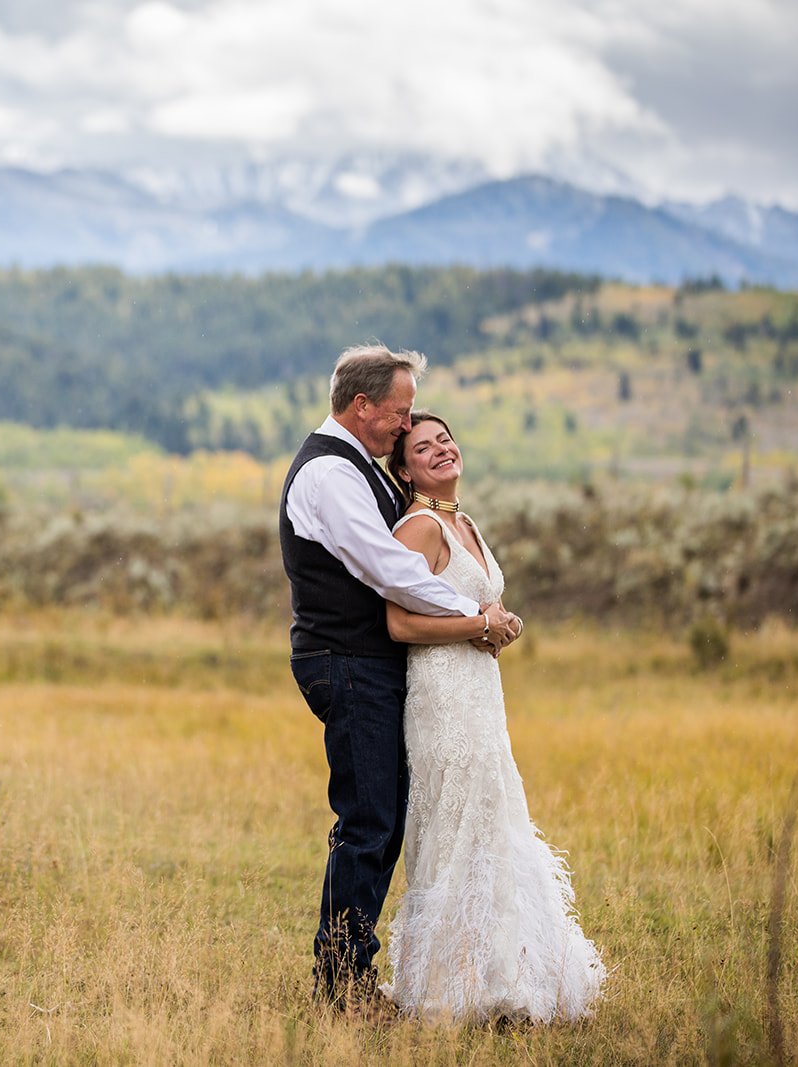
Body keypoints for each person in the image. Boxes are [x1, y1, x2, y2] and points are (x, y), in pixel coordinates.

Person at [279, 345, 520, 1012]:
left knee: (379, 818)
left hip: (366, 662)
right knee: (368, 820)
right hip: (346, 658)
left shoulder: (357, 468)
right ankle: (342, 984)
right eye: (400, 412)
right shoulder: (329, 474)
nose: (404, 425)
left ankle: (350, 972)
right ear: (362, 406)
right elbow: (388, 567)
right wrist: (475, 614)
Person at [382, 413, 606, 1023]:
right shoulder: (420, 528)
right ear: (404, 469)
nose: (440, 451)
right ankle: (450, 987)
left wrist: (499, 625)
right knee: (461, 824)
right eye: (422, 448)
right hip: (443, 697)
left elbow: (475, 603)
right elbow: (400, 623)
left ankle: (504, 974)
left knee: (492, 821)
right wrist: (481, 625)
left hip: (482, 691)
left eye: (445, 439)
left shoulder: (464, 522)